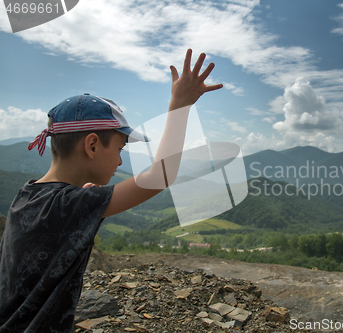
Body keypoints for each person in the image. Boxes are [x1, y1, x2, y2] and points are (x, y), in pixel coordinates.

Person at [0, 49, 223, 332]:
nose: (120, 160)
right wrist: (180, 104)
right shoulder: (70, 206)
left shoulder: (27, 195)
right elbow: (161, 174)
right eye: (119, 148)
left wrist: (84, 199)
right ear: (92, 145)